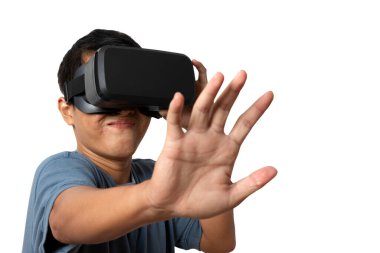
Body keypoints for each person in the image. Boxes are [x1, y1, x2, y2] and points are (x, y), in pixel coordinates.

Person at [22, 29, 277, 253]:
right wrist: (153, 199)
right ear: (67, 110)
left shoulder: (157, 175)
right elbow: (67, 220)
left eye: (134, 96)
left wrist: (206, 167)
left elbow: (218, 244)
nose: (124, 109)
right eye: (103, 96)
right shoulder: (58, 170)